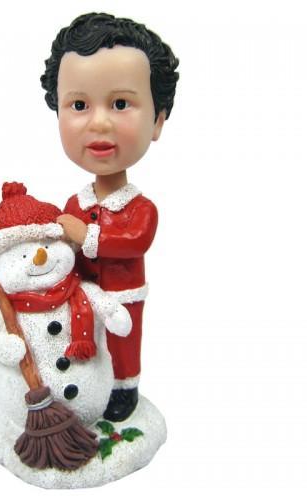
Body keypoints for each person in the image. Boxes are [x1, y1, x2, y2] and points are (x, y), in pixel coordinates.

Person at [41, 12, 179, 421]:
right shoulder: (75, 202)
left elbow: (132, 242)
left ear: (157, 120)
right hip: (81, 296)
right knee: (86, 345)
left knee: (121, 342)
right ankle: (85, 390)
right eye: (79, 105)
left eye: (120, 104)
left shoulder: (140, 208)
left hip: (122, 296)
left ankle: (124, 388)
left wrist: (85, 235)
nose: (99, 122)